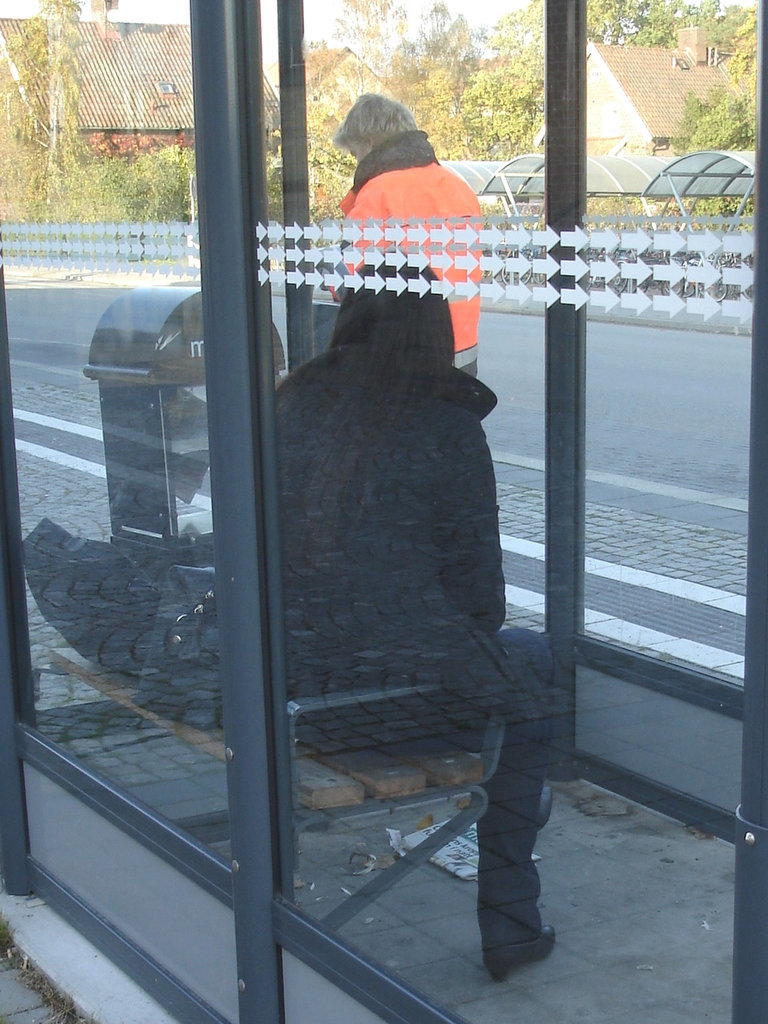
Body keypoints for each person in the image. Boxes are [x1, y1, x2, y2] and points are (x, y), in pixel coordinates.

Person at [276, 275, 555, 980]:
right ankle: (513, 919)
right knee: (530, 661)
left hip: (285, 693)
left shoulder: (291, 405)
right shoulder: (447, 427)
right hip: (391, 705)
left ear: (347, 327)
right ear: (438, 337)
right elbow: (480, 605)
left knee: (513, 669)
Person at [332, 93, 482, 376]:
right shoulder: (457, 187)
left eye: (354, 153)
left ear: (369, 143)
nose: (355, 162)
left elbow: (351, 287)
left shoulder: (378, 193)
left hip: (404, 357)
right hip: (462, 351)